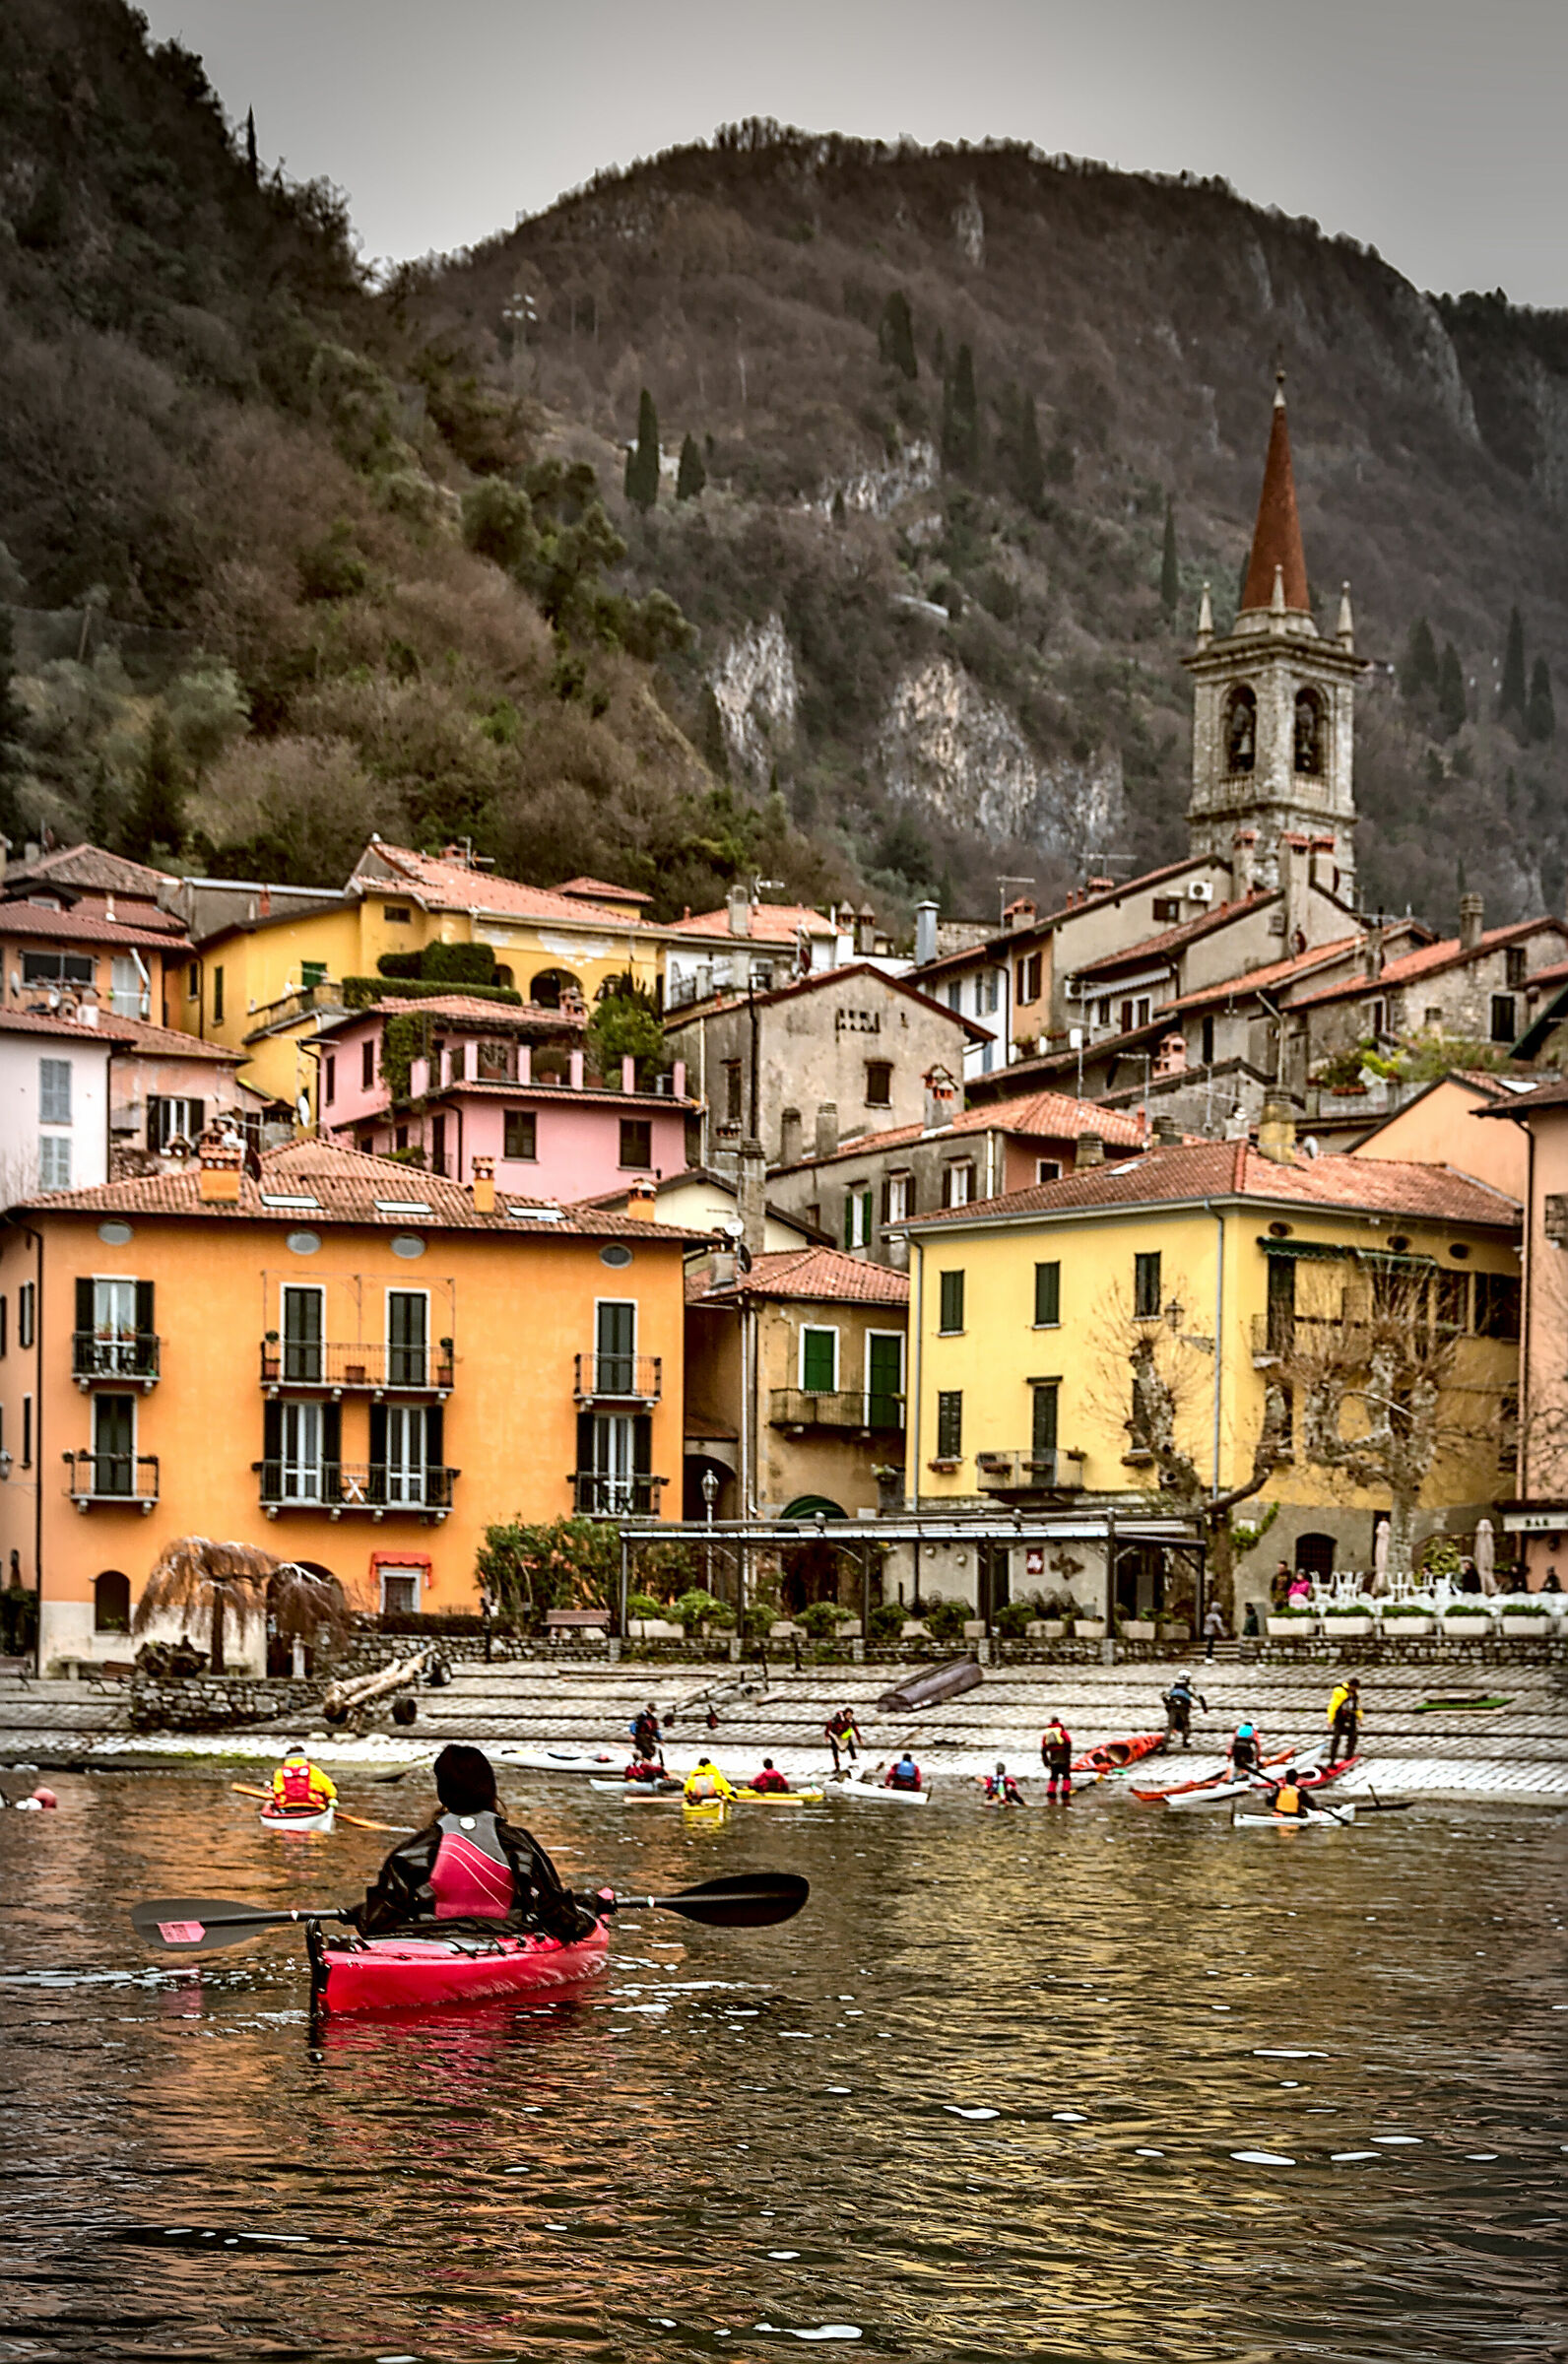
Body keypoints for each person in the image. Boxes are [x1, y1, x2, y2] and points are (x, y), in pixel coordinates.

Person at [348, 1744, 604, 1940]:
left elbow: (376, 1921)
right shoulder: (518, 1844)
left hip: (430, 1939)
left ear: (443, 1793)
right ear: (490, 1788)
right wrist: (589, 1917)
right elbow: (561, 1917)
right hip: (507, 1935)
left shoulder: (415, 1850)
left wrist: (361, 1913)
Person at [270, 1743, 337, 1817]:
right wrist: (331, 1797)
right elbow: (329, 1789)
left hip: (287, 1807)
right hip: (313, 1806)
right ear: (303, 1757)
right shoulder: (313, 1770)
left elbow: (277, 1791)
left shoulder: (280, 1772)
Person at [1161, 1671, 1208, 1751]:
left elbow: (1163, 1695)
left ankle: (1164, 1745)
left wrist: (1167, 1704)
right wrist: (1204, 1708)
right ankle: (1185, 1741)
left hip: (1172, 1706)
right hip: (1183, 1707)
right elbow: (1199, 1696)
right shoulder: (1189, 1686)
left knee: (1170, 1726)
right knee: (1185, 1724)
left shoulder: (1173, 1685)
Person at [1326, 1676, 1361, 1763]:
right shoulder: (1340, 1693)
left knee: (1353, 1737)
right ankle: (1332, 1760)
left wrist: (1360, 1718)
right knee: (1336, 1738)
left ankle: (1348, 1757)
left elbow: (1357, 1707)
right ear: (1352, 1686)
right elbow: (1332, 1707)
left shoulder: (1354, 1694)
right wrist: (1330, 1720)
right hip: (1339, 1719)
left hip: (1350, 1718)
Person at [1040, 1717, 1073, 1801]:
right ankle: (1065, 1792)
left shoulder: (1047, 1734)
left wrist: (1045, 1760)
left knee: (1054, 1776)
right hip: (1063, 1757)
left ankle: (1051, 1792)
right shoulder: (1062, 1732)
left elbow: (1043, 1749)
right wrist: (1068, 1757)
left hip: (1053, 1757)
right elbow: (1068, 1743)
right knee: (1066, 1776)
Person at [824, 1707, 861, 1772]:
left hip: (844, 1734)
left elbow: (855, 1729)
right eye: (848, 1715)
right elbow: (829, 1723)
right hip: (835, 1734)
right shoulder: (838, 1718)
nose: (849, 1716)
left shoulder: (851, 1720)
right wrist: (826, 1735)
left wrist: (859, 1738)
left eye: (851, 1715)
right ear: (845, 1714)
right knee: (835, 1750)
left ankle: (855, 1762)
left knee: (850, 1746)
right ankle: (837, 1767)